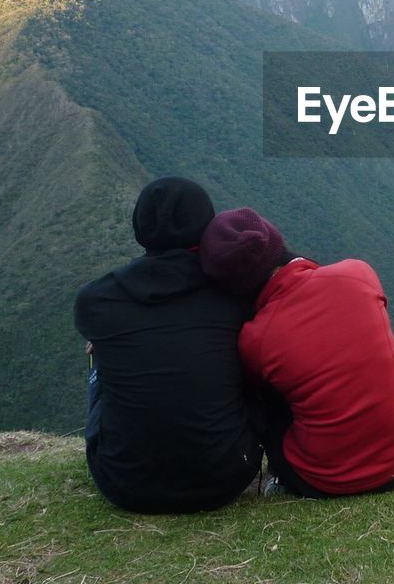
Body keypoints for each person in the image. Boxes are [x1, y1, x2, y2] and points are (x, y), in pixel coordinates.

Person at [199, 207, 394, 498]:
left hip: (327, 480)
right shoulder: (359, 274)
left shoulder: (257, 338)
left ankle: (281, 482)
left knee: (263, 391)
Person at [74, 177, 261, 513]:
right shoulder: (235, 297)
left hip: (123, 482)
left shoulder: (96, 301)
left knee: (102, 352)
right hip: (225, 477)